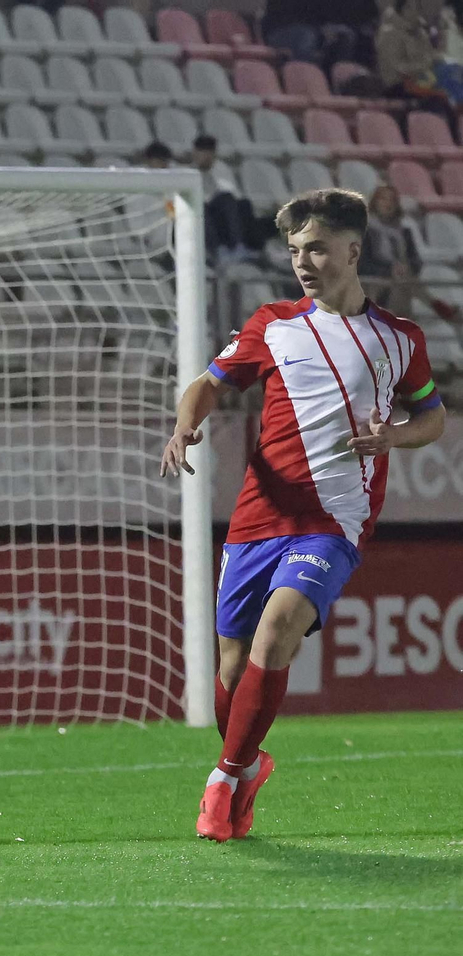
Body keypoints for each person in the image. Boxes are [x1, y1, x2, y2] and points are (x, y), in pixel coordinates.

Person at [160, 188, 446, 843]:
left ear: (353, 249)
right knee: (232, 671)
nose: (303, 261)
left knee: (277, 630)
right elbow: (208, 384)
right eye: (294, 250)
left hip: (334, 522)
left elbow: (431, 414)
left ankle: (226, 776)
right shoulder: (272, 325)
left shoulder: (400, 339)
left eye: (316, 247)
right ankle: (249, 761)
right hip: (258, 518)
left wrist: (394, 437)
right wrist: (185, 425)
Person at [363, 182, 458, 319]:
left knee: (402, 280)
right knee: (402, 279)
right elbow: (362, 266)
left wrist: (406, 267)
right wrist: (390, 269)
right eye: (383, 199)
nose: (388, 203)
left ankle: (395, 318)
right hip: (375, 283)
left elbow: (416, 260)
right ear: (375, 202)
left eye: (392, 200)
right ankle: (436, 305)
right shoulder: (365, 232)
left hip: (401, 282)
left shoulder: (404, 231)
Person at [190, 134, 258, 265]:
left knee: (233, 202)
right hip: (203, 212)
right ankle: (219, 249)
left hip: (220, 210)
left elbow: (231, 193)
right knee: (200, 207)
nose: (204, 157)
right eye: (200, 153)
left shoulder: (221, 169)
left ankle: (239, 246)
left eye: (208, 153)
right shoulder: (189, 172)